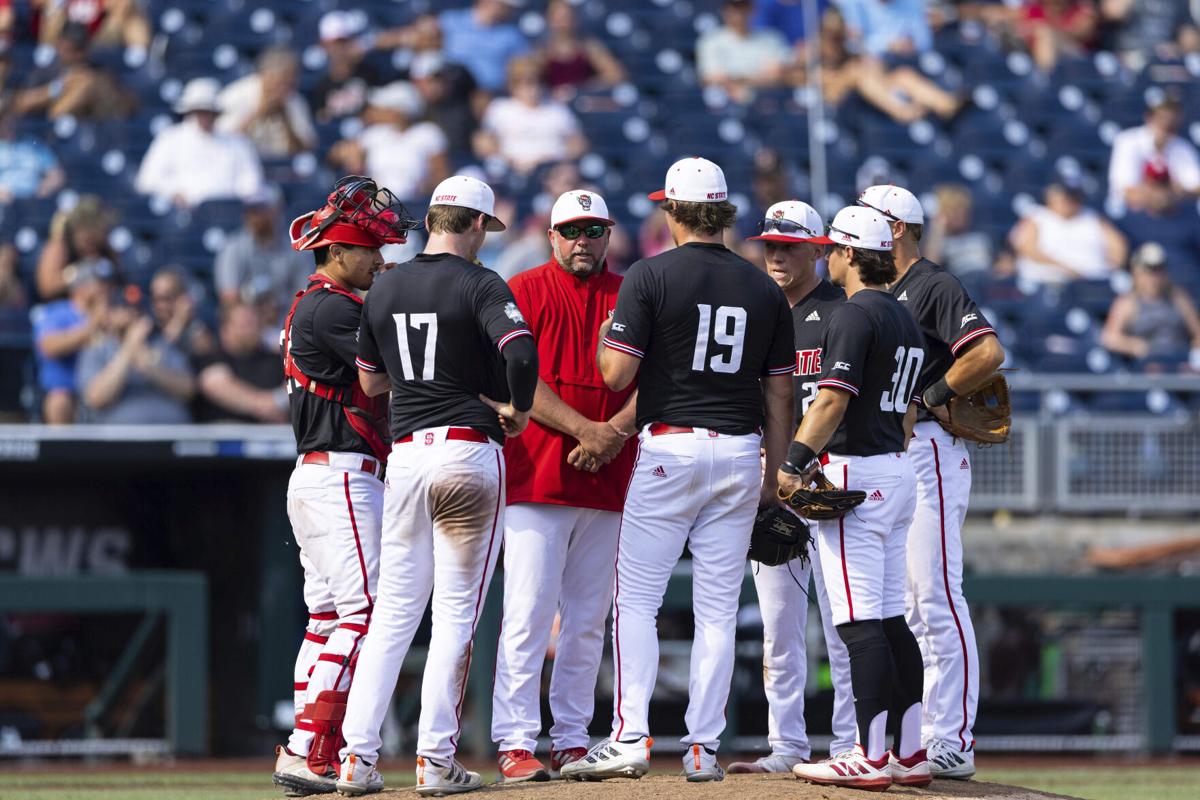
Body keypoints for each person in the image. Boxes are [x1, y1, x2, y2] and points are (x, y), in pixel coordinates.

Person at [560, 157, 796, 783]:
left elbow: (615, 376)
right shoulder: (763, 287)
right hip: (741, 451)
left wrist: (610, 333)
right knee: (718, 609)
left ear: (672, 211)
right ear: (722, 212)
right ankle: (702, 748)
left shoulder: (651, 273)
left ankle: (630, 736)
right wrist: (774, 477)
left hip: (671, 447)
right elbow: (780, 395)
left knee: (637, 601)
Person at [336, 175, 538, 796]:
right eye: (485, 227)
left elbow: (370, 383)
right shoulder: (481, 281)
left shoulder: (385, 284)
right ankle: (435, 759)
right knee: (454, 615)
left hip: (406, 456)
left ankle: (355, 758)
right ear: (475, 223)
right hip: (467, 451)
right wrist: (519, 409)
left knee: (393, 616)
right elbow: (521, 353)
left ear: (430, 221)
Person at [271, 176, 415, 797]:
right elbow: (394, 366)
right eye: (369, 249)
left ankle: (304, 746)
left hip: (320, 475)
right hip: (341, 477)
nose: (379, 259)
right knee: (366, 614)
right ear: (335, 250)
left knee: (327, 620)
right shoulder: (331, 306)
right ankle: (308, 748)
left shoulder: (319, 302)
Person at [490, 190, 637, 783]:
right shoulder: (522, 289)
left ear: (608, 234)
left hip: (610, 475)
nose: (582, 240)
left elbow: (656, 378)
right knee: (527, 612)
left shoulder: (631, 291)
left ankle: (572, 738)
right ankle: (515, 739)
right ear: (552, 236)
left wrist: (612, 434)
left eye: (593, 230)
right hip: (538, 472)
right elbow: (516, 379)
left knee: (587, 619)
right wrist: (589, 431)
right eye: (571, 230)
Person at [780, 205, 928, 791]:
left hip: (856, 473)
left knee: (859, 625)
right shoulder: (904, 317)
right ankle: (909, 753)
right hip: (896, 466)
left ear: (846, 253)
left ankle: (867, 755)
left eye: (832, 250)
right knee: (891, 620)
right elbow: (909, 412)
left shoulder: (853, 313)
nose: (828, 259)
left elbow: (831, 400)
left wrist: (793, 463)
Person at [862, 184, 1006, 780]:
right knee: (905, 605)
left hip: (931, 451)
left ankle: (953, 738)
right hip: (891, 454)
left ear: (895, 228)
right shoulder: (876, 291)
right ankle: (918, 738)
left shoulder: (932, 284)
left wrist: (930, 396)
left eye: (870, 219)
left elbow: (988, 353)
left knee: (936, 596)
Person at [727, 200, 858, 774]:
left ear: (818, 250)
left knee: (842, 624)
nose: (777, 255)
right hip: (774, 485)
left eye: (789, 246)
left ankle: (851, 744)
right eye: (770, 245)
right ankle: (787, 746)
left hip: (827, 480)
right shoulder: (756, 312)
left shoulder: (841, 312)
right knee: (778, 627)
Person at [135, 77, 265, 209]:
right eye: (200, 112)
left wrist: (233, 199)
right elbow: (147, 181)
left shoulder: (237, 142)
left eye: (209, 111)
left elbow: (251, 182)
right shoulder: (169, 139)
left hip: (228, 212)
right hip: (183, 213)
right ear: (189, 112)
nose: (205, 117)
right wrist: (173, 192)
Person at [76, 293, 196, 425]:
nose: (131, 314)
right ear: (110, 314)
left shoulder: (163, 345)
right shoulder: (98, 349)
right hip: (120, 434)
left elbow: (188, 390)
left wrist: (149, 367)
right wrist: (129, 349)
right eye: (123, 308)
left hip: (171, 432)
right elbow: (96, 398)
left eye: (136, 309)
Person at [329, 82, 449, 205]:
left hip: (414, 205)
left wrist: (421, 189)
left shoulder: (428, 133)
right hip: (376, 203)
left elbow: (441, 177)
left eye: (386, 107)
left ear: (398, 112)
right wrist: (353, 157)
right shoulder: (375, 134)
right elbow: (338, 154)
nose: (379, 110)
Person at [32, 259, 114, 423]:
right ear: (80, 288)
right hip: (67, 391)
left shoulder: (112, 313)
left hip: (106, 388)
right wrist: (92, 326)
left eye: (105, 284)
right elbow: (49, 347)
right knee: (58, 402)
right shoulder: (58, 312)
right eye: (97, 283)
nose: (104, 289)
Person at [475, 57, 587, 176]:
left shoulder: (557, 110)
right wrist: (510, 161)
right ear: (512, 84)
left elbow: (577, 143)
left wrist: (558, 161)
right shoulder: (500, 109)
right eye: (523, 82)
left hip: (553, 171)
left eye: (536, 82)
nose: (531, 88)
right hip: (512, 171)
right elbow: (483, 142)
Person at [1009, 181, 1127, 287]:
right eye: (1061, 198)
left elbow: (1118, 247)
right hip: (1049, 282)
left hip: (1093, 281)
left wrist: (1109, 267)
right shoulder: (1037, 216)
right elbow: (1026, 247)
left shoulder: (1092, 217)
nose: (1065, 202)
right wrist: (1065, 268)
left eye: (1069, 197)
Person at [1101, 242, 1200, 367]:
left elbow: (1197, 333)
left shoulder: (1178, 298)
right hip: (1147, 365)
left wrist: (1194, 355)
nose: (1153, 277)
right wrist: (1134, 346)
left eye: (1158, 270)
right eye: (1148, 271)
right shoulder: (1128, 302)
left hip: (1179, 361)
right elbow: (1109, 338)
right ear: (1136, 272)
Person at [214, 184, 310, 312]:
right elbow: (229, 298)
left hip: (284, 316)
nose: (254, 216)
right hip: (247, 317)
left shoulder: (294, 248)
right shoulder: (233, 247)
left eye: (260, 210)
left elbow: (304, 293)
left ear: (276, 211)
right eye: (251, 210)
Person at [12, 21, 135, 120]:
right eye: (70, 48)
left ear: (86, 49)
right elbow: (21, 103)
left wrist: (84, 84)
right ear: (59, 44)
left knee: (87, 83)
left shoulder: (99, 72)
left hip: (92, 132)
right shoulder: (47, 70)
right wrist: (59, 87)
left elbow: (126, 108)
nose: (76, 54)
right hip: (43, 132)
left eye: (79, 48)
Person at [1107, 89, 1200, 217]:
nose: (1167, 123)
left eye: (1172, 120)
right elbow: (1126, 190)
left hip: (1173, 218)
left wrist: (1176, 193)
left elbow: (1196, 187)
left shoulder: (1183, 147)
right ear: (1149, 117)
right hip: (1131, 217)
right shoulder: (1127, 141)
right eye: (1162, 118)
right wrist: (1162, 194)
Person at [218, 46, 318, 158]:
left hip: (282, 165)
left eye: (291, 83)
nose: (286, 88)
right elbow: (221, 143)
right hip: (242, 162)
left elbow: (306, 151)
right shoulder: (236, 95)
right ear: (266, 75)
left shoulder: (294, 100)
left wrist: (286, 121)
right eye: (282, 81)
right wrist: (258, 113)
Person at [195, 302, 286, 423]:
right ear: (225, 329)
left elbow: (293, 386)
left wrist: (280, 402)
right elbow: (215, 385)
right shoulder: (211, 357)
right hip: (225, 431)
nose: (253, 329)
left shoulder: (275, 359)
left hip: (273, 432)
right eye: (246, 324)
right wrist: (266, 405)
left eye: (256, 323)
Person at [696, 0, 792, 104]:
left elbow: (776, 75)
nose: (739, 14)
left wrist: (738, 81)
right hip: (725, 103)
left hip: (768, 102)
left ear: (753, 10)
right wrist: (753, 80)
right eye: (734, 9)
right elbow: (713, 77)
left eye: (743, 8)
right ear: (725, 11)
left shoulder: (771, 38)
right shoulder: (711, 41)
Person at [35, 194, 121, 301]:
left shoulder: (104, 247)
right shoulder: (60, 245)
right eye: (87, 233)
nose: (92, 238)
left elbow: (117, 282)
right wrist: (76, 273)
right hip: (63, 305)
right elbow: (47, 287)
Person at [436, 0, 530, 94]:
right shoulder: (449, 21)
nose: (509, 11)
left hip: (493, 95)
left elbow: (523, 67)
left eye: (510, 8)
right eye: (504, 6)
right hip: (449, 92)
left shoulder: (513, 35)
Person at [537, 0, 626, 98]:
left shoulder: (588, 46)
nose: (562, 24)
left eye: (566, 17)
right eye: (557, 18)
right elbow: (527, 75)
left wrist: (578, 89)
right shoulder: (541, 49)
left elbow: (616, 75)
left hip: (582, 101)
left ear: (574, 18)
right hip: (550, 103)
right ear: (548, 19)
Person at [311, 10, 386, 123]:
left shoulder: (370, 72)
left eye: (347, 41)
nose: (343, 46)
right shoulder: (320, 86)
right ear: (324, 45)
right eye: (338, 41)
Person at [0, 100, 65, 204]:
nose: (5, 123)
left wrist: (45, 188)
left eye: (5, 117)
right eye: (1, 118)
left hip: (35, 205)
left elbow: (56, 175)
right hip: (5, 206)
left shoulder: (32, 143)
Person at [923, 185, 993, 278]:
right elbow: (929, 272)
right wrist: (938, 226)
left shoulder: (981, 237)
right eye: (953, 210)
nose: (959, 215)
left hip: (985, 282)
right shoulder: (938, 244)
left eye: (963, 209)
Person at [1016, 0, 1099, 72]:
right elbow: (1021, 30)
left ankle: (1045, 79)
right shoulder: (1034, 9)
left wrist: (1049, 30)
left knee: (1045, 35)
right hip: (1037, 56)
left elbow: (1084, 33)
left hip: (1079, 59)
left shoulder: (1081, 9)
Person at [835, 0, 933, 57]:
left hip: (910, 61)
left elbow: (924, 40)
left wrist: (910, 45)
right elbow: (854, 45)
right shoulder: (855, 4)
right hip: (872, 64)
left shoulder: (913, 3)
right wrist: (888, 46)